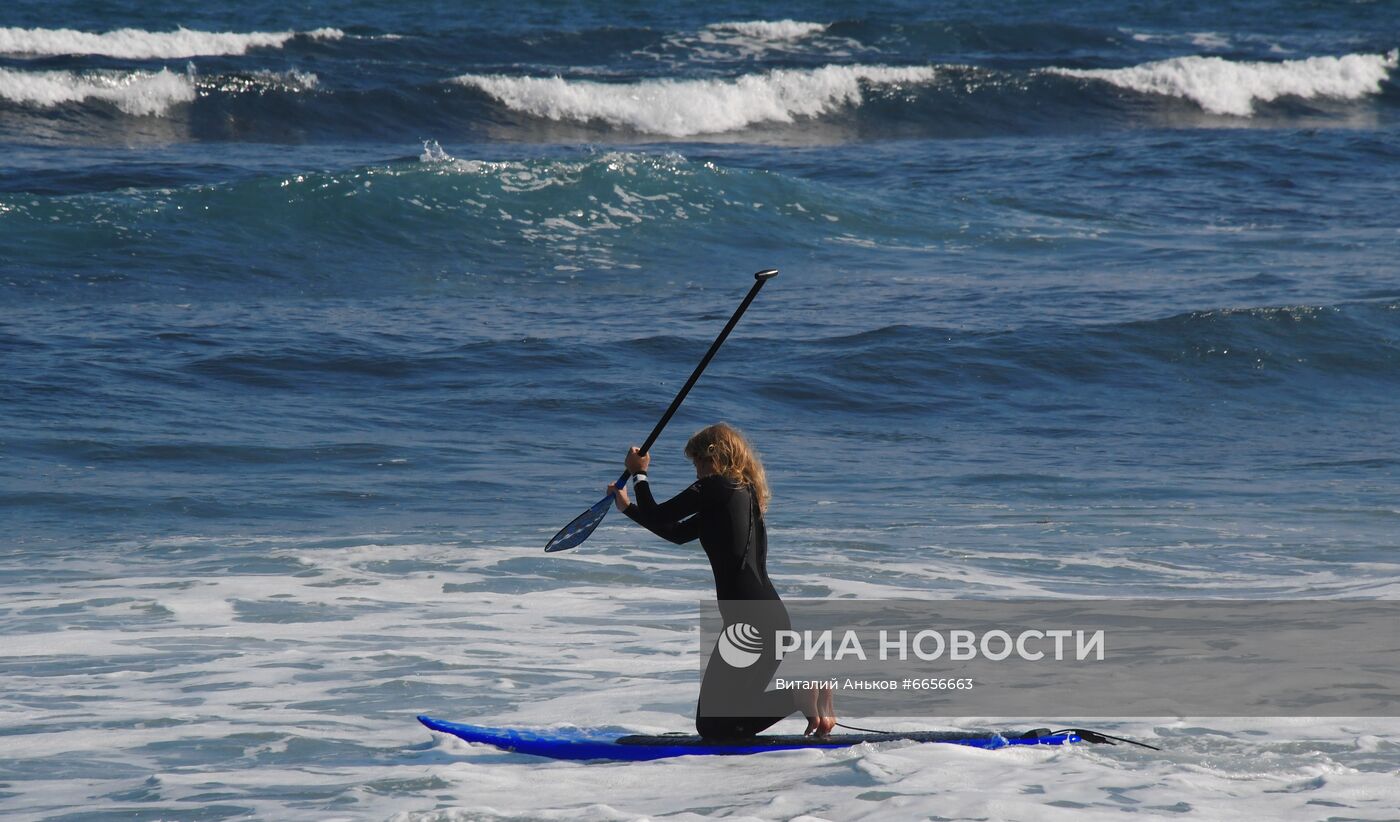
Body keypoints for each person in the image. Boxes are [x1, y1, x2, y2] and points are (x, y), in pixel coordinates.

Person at [609, 422, 836, 738]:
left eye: (697, 463)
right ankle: (806, 699)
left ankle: (799, 696)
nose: (697, 474)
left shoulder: (715, 487)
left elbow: (661, 515)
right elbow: (676, 533)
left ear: (713, 457)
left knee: (714, 725)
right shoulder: (740, 496)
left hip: (751, 623)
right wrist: (629, 509)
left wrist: (639, 474)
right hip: (768, 619)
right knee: (723, 719)